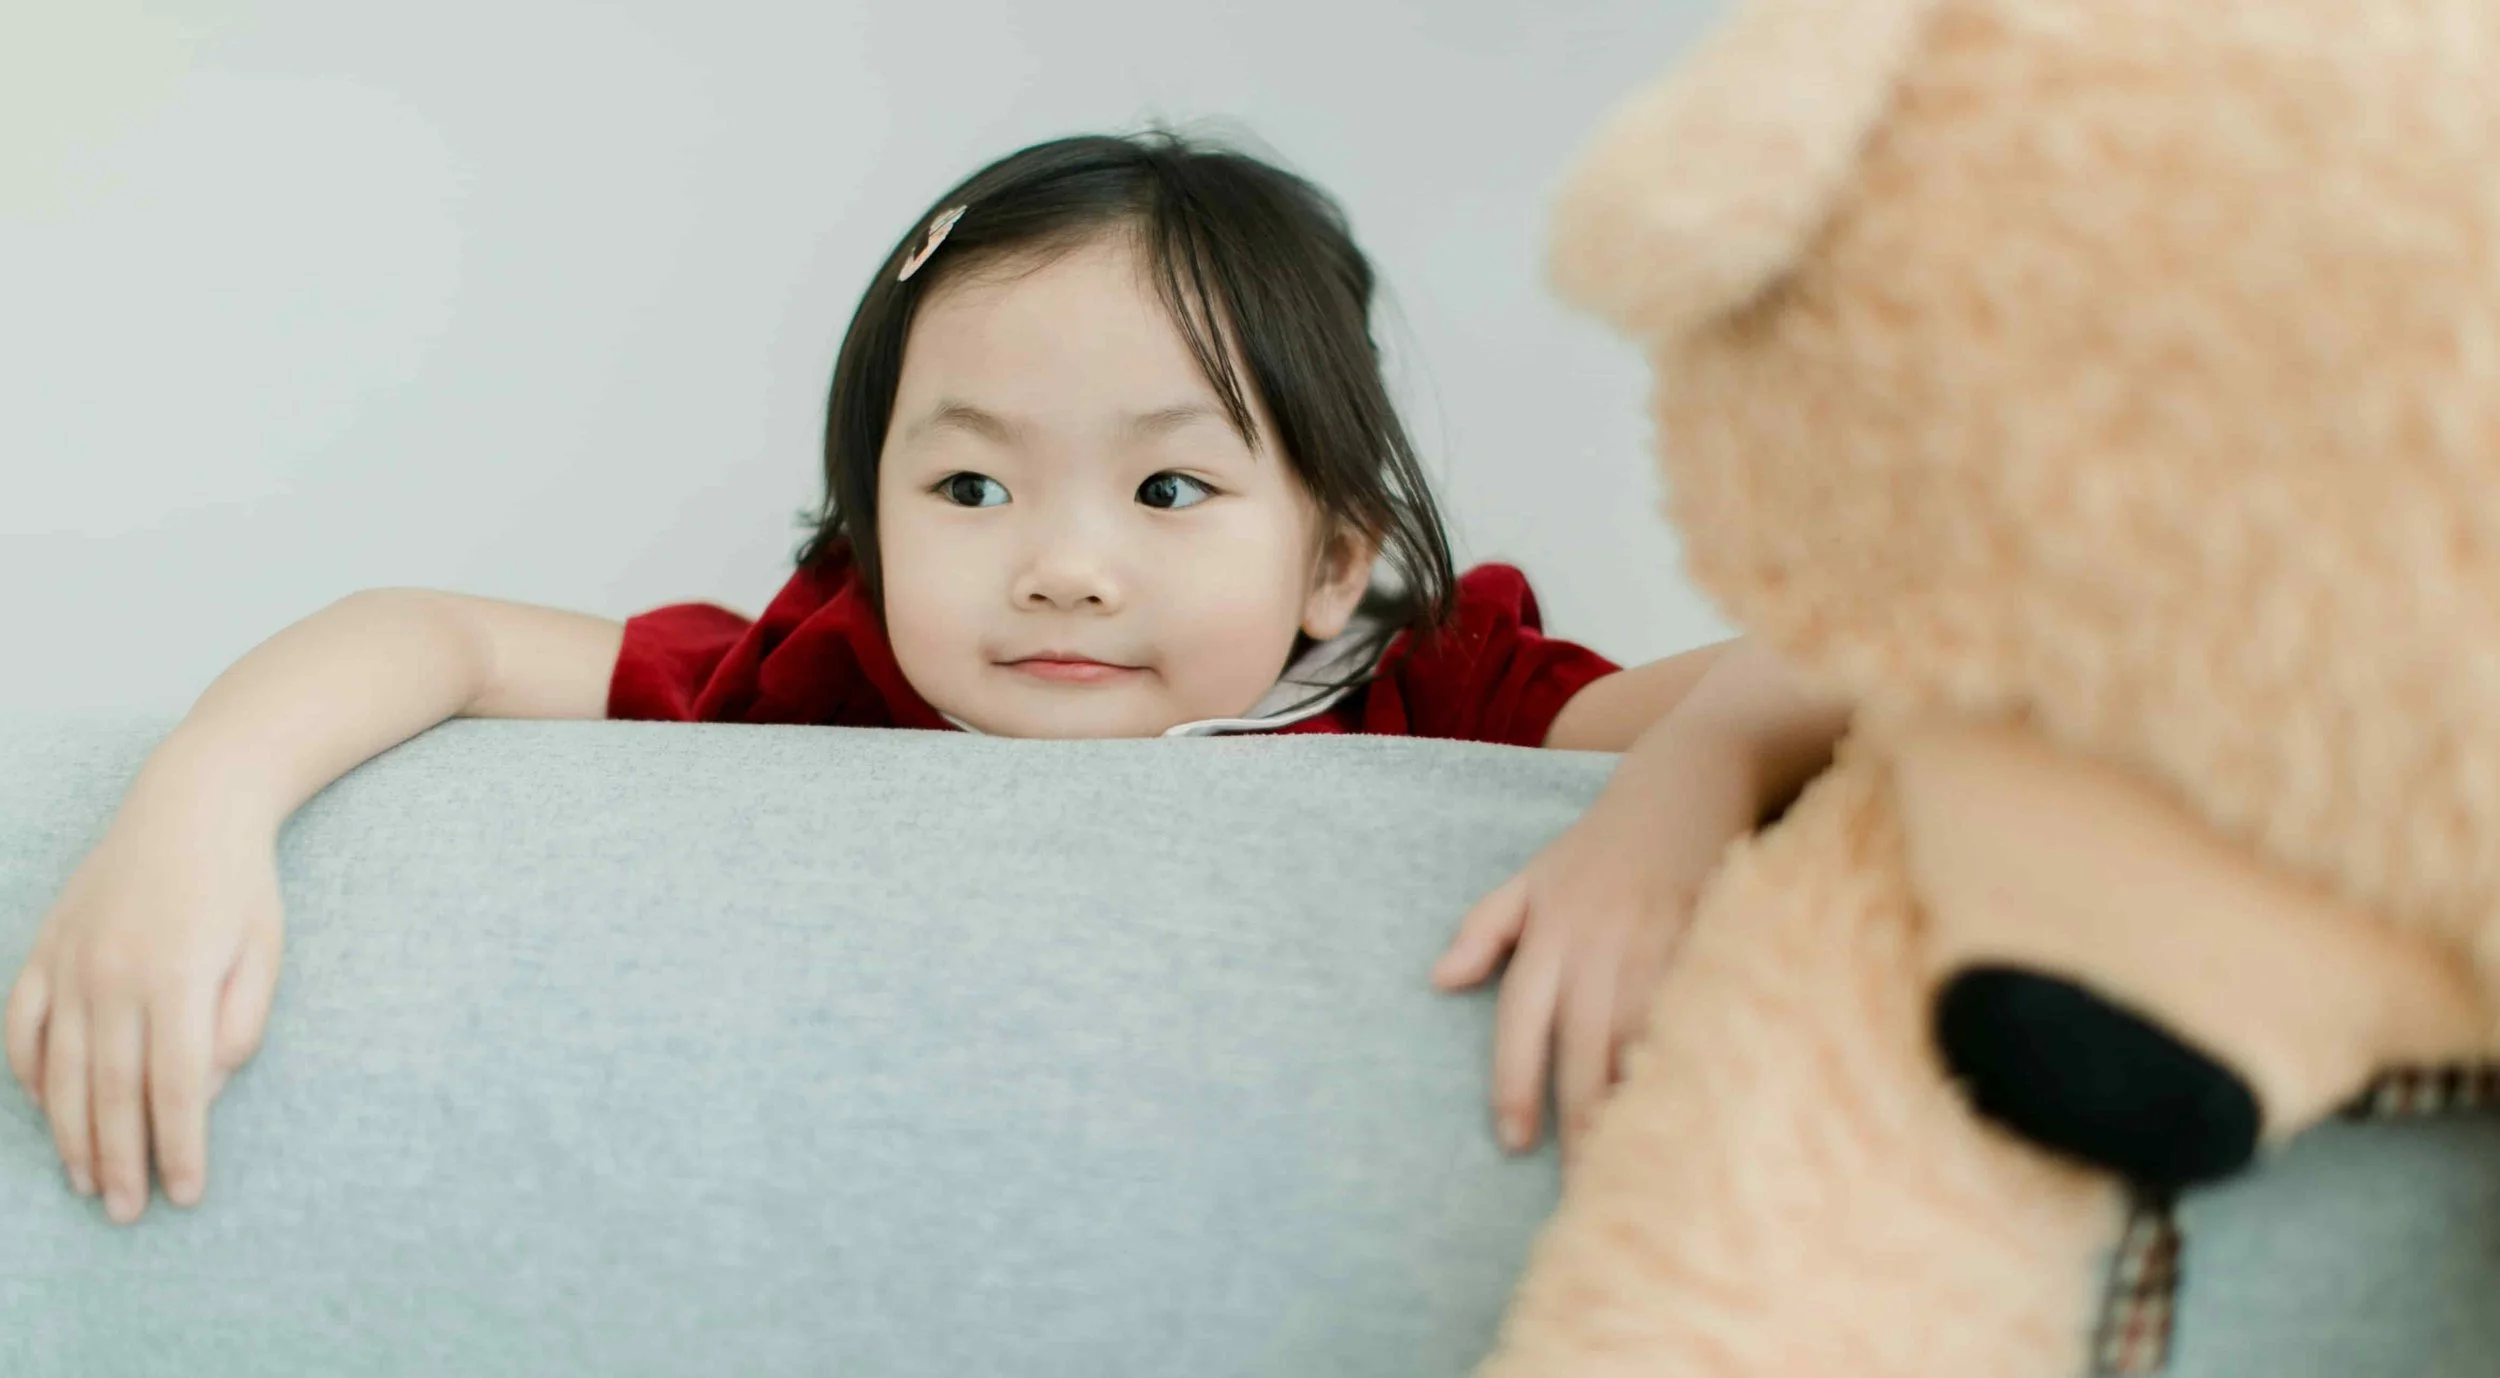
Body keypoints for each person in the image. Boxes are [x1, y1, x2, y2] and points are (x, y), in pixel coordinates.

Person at [5, 131, 1850, 1226]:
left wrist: (1666, 803)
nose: (1060, 557)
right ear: (871, 519)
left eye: (1168, 487)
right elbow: (432, 627)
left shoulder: (1442, 684)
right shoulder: (817, 674)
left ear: (1331, 556)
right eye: (968, 483)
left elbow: (1863, 660)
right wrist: (198, 812)